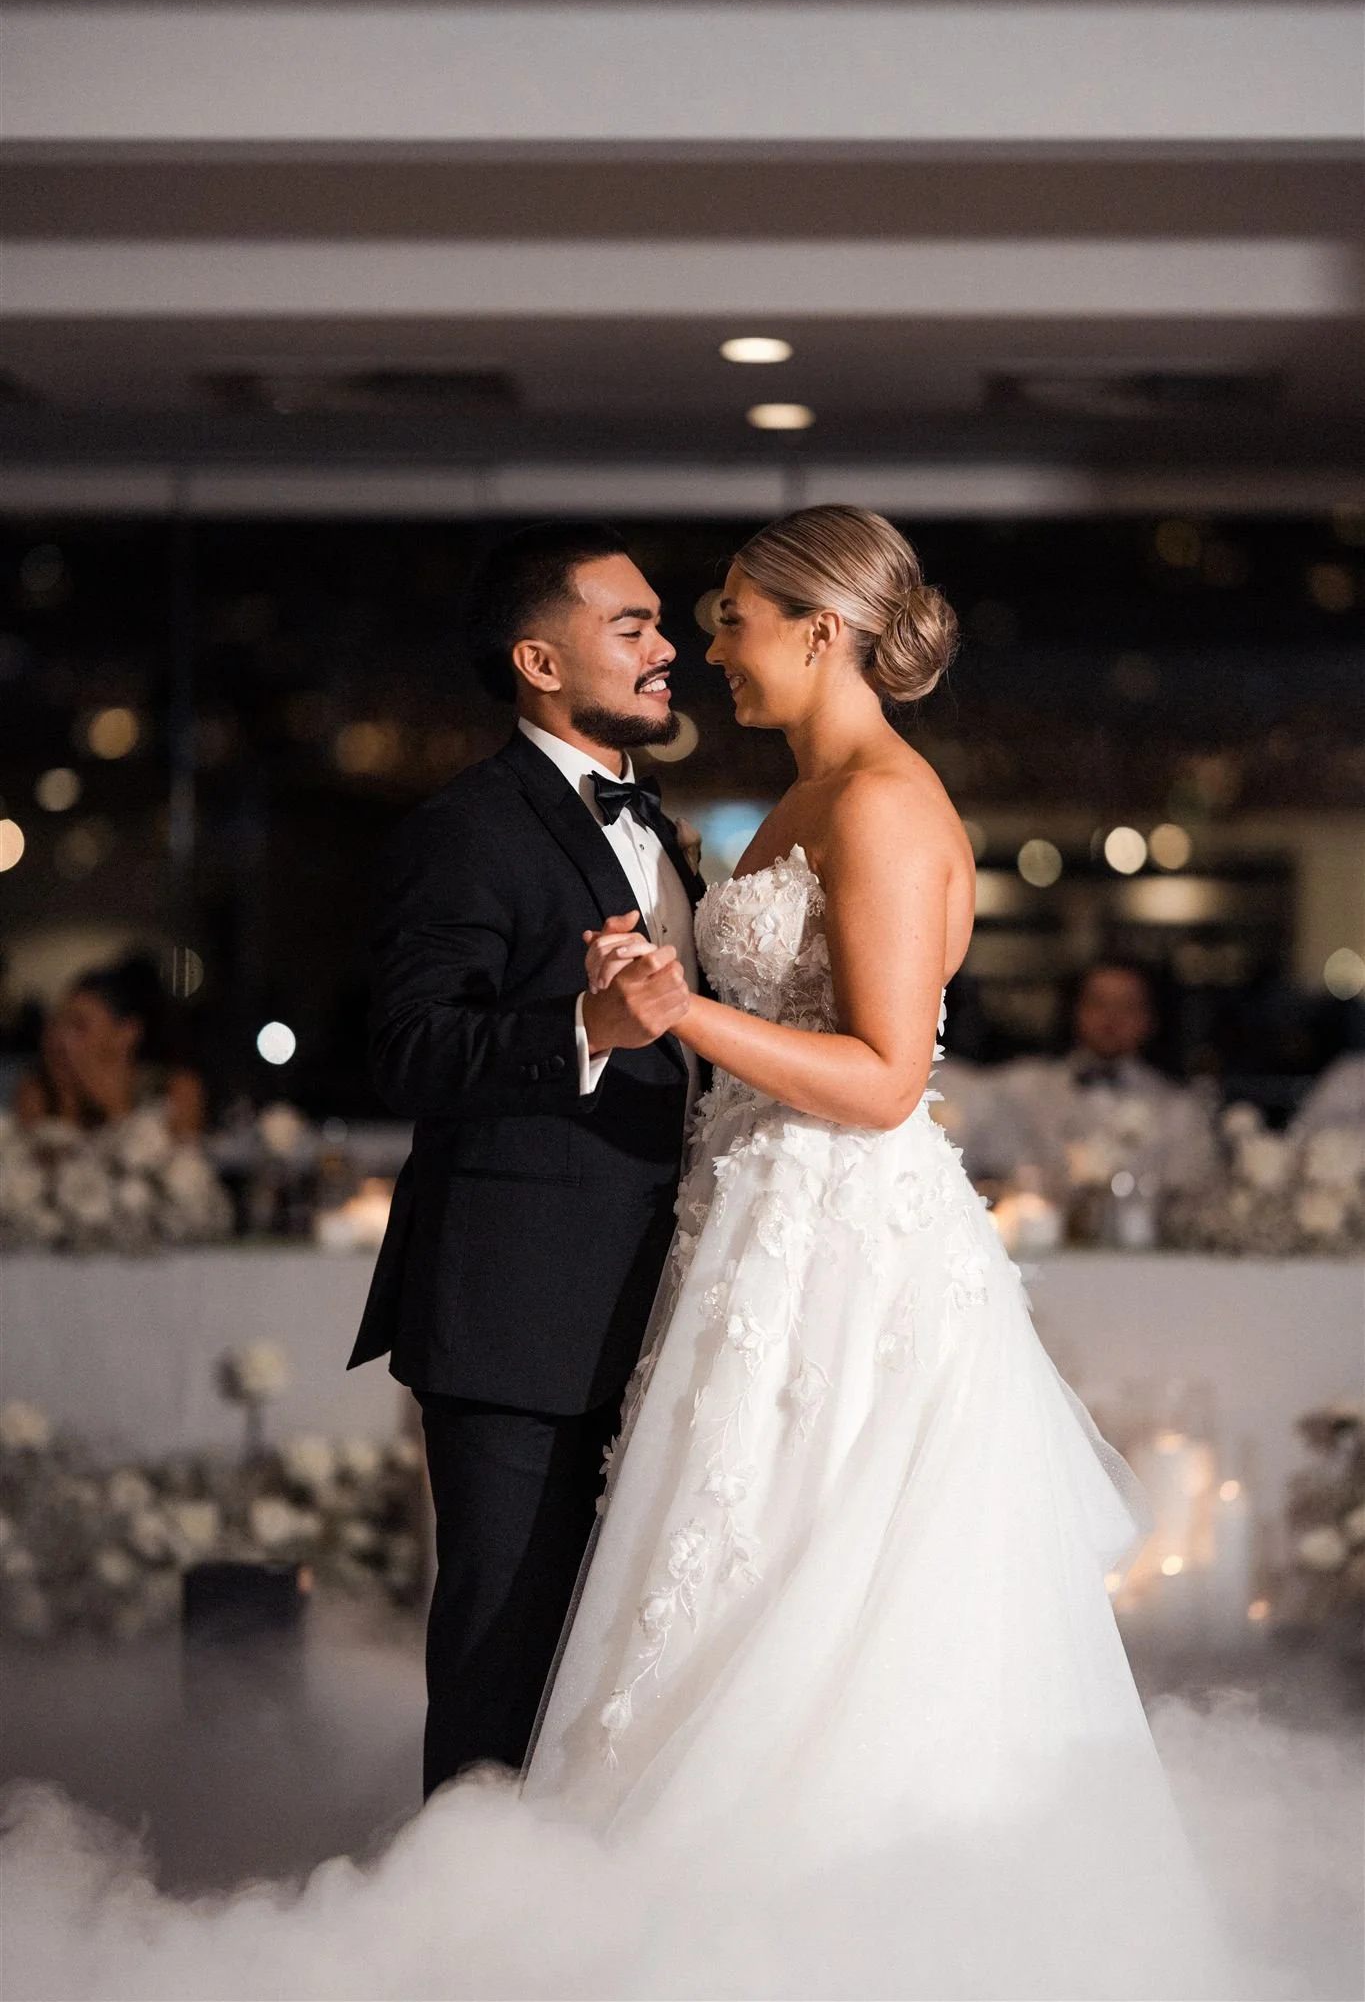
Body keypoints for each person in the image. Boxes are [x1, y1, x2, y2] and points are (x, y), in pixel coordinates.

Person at [520, 508, 1218, 1987]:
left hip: (838, 1247)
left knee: (827, 1594)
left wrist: (684, 1014)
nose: (710, 648)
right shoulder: (806, 795)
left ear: (821, 628)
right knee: (728, 1575)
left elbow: (890, 1075)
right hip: (756, 1225)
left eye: (733, 617)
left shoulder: (885, 805)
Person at [348, 522, 705, 1798]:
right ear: (540, 661)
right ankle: (467, 1910)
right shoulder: (468, 826)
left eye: (661, 622)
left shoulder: (661, 826)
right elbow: (407, 1048)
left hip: (663, 1307)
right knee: (502, 1664)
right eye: (632, 626)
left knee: (619, 1666)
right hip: (519, 1318)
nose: (668, 647)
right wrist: (584, 1026)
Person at [986, 959, 1217, 1194]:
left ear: (1150, 1018)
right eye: (1098, 1003)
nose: (1111, 1018)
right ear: (1075, 1010)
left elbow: (1191, 1191)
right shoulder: (1026, 1088)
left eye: (1127, 1006)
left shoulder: (1178, 1108)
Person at [13, 955, 205, 1140]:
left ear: (126, 1032)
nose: (60, 1038)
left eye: (79, 1026)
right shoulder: (39, 1090)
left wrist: (114, 1107)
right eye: (56, 1023)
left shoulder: (173, 1089)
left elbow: (179, 1156)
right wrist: (67, 1103)